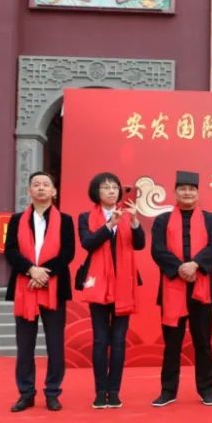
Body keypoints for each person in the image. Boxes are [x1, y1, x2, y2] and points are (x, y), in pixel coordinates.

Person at [4, 171, 75, 412]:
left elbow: (68, 253)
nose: (41, 188)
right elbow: (11, 251)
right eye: (36, 184)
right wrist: (31, 271)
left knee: (55, 345)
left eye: (46, 184)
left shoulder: (65, 220)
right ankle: (26, 393)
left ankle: (52, 392)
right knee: (25, 346)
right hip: (25, 286)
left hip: (54, 288)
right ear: (29, 191)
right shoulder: (17, 220)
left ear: (54, 191)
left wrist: (44, 273)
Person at [151, 171, 212, 407]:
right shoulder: (162, 220)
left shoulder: (211, 219)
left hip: (202, 289)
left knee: (203, 343)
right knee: (172, 344)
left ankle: (206, 389)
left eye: (191, 189)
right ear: (175, 192)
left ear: (197, 193)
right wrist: (180, 268)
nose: (187, 193)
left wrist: (196, 265)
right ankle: (168, 391)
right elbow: (158, 250)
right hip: (172, 288)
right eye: (182, 189)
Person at [77, 172, 145, 410]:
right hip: (98, 284)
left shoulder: (127, 215)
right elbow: (87, 243)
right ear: (96, 192)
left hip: (123, 285)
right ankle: (100, 391)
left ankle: (114, 391)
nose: (112, 191)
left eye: (115, 187)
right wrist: (110, 225)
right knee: (100, 340)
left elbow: (140, 244)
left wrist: (134, 221)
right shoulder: (86, 217)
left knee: (118, 341)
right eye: (106, 187)